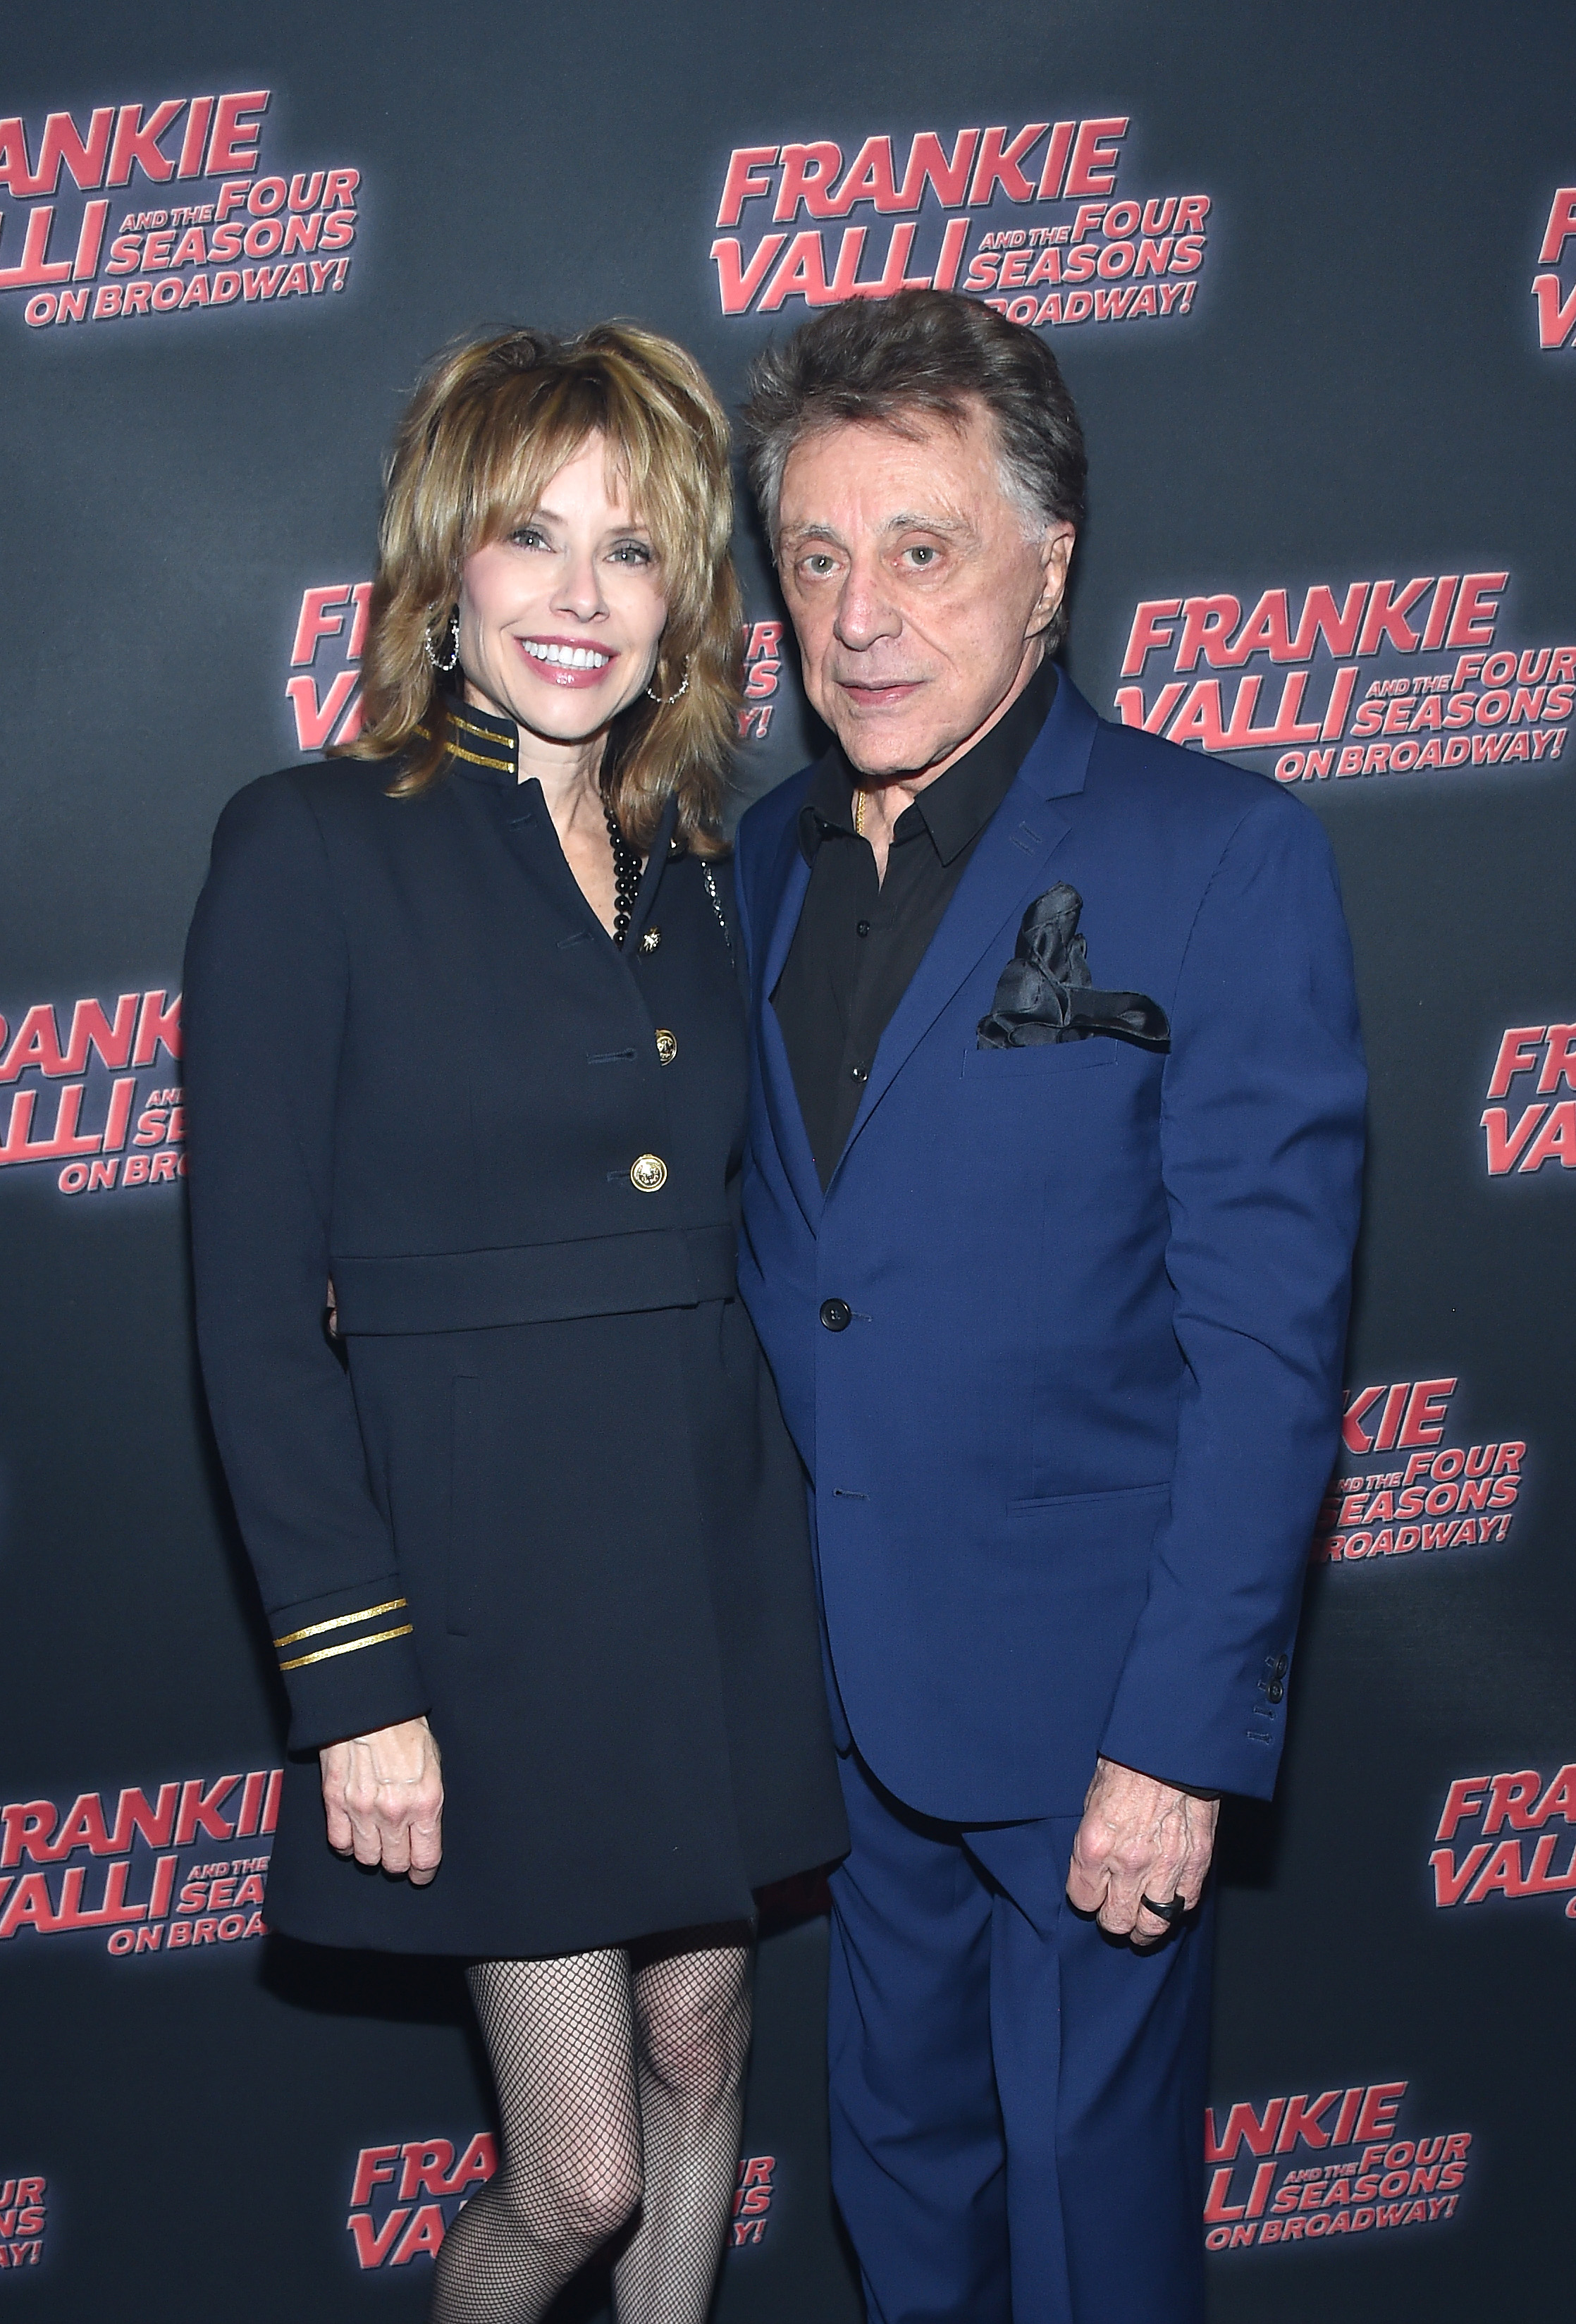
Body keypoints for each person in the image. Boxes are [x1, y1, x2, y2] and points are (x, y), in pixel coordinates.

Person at [183, 324, 846, 2324]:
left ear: (684, 599)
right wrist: (354, 1678)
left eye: (633, 549)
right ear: (442, 566)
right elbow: (249, 1321)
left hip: (709, 1561)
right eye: (531, 535)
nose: (581, 594)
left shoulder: (700, 873)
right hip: (484, 1604)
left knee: (707, 2048)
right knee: (573, 2175)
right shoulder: (308, 842)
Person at [732, 289, 1366, 2323]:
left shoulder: (1218, 853)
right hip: (840, 1697)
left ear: (1051, 563)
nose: (859, 616)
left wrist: (1177, 1739)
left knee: (1095, 2231)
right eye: (815, 557)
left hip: (1097, 1715)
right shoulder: (754, 865)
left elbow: (1267, 1352)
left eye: (922, 550)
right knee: (900, 2190)